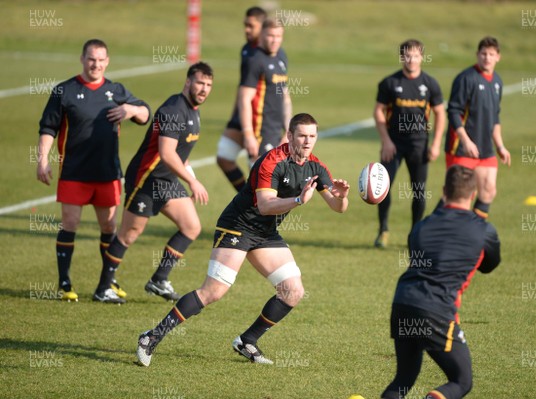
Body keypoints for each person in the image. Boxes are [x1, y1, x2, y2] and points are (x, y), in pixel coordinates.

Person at [136, 113, 349, 367]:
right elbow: (265, 205)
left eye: (312, 136)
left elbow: (338, 207)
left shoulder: (316, 167)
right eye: (302, 135)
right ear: (289, 135)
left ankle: (247, 340)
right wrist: (298, 200)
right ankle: (150, 337)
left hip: (265, 233)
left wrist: (343, 196)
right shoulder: (271, 162)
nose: (307, 141)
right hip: (238, 226)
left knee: (293, 291)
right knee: (213, 291)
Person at [36, 39, 150, 302]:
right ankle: (65, 283)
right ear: (82, 59)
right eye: (91, 59)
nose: (96, 64)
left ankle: (108, 282)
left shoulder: (116, 91)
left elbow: (145, 114)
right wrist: (42, 160)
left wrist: (131, 109)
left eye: (100, 60)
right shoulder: (64, 90)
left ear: (107, 61)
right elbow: (48, 128)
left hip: (108, 173)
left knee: (109, 227)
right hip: (74, 172)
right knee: (71, 224)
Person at [92, 62, 214, 304]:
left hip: (167, 179)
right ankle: (103, 288)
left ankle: (159, 280)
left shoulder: (194, 110)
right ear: (188, 82)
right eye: (200, 83)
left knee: (191, 227)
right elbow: (167, 153)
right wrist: (192, 181)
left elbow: (181, 152)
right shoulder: (173, 110)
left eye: (209, 85)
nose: (204, 89)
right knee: (129, 234)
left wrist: (191, 175)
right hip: (147, 179)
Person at [380, 165, 501, 399]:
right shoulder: (484, 231)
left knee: (403, 378)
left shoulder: (421, 227)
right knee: (461, 380)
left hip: (402, 303)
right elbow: (490, 265)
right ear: (473, 194)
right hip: (436, 311)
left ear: (444, 191)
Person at [373, 39, 445, 248]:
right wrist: (385, 140)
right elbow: (378, 110)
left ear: (421, 57)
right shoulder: (390, 83)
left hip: (419, 144)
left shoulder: (430, 84)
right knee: (382, 188)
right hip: (393, 144)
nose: (411, 59)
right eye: (407, 55)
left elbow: (440, 113)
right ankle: (383, 230)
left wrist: (436, 143)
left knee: (419, 191)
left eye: (415, 55)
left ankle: (415, 234)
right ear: (402, 57)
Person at [217, 17, 292, 192]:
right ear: (263, 34)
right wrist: (249, 134)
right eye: (271, 35)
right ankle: (246, 202)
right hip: (259, 129)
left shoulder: (282, 56)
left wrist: (288, 128)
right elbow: (244, 98)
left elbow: (286, 97)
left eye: (278, 36)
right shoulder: (255, 60)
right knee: (228, 160)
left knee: (265, 186)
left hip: (273, 129)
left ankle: (249, 206)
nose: (275, 40)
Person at [444, 36, 511, 219]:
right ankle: (434, 231)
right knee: (457, 196)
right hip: (461, 149)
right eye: (483, 54)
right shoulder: (465, 79)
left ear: (498, 57)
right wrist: (466, 141)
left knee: (488, 190)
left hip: (485, 149)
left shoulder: (497, 81)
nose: (487, 58)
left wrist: (500, 146)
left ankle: (472, 234)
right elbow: (453, 112)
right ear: (477, 55)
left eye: (491, 54)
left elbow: (495, 117)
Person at [216, 6, 268, 191]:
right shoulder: (246, 50)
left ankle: (256, 208)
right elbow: (243, 86)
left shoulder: (268, 54)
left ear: (262, 27)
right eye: (245, 25)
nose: (246, 29)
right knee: (224, 157)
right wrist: (234, 114)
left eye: (251, 26)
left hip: (259, 119)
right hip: (241, 114)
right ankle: (246, 198)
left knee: (257, 174)